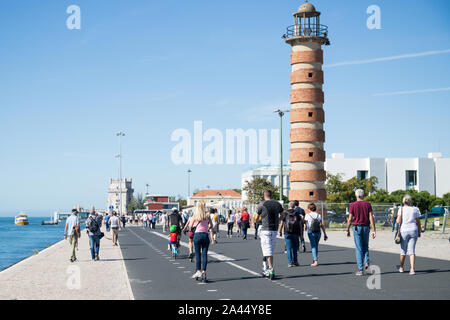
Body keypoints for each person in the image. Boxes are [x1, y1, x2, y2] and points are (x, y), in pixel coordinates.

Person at [346, 189, 376, 276]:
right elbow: (371, 217)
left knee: (359, 248)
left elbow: (350, 218)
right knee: (365, 246)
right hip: (366, 227)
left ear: (356, 195)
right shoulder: (368, 204)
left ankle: (360, 269)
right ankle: (367, 263)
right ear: (363, 195)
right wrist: (374, 229)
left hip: (357, 227)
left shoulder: (352, 205)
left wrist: (347, 229)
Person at [256, 190, 284, 280]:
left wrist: (257, 222)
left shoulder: (262, 204)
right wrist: (278, 220)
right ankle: (266, 267)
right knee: (269, 249)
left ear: (264, 196)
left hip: (265, 229)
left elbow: (255, 217)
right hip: (274, 229)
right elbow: (283, 215)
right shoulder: (277, 204)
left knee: (267, 250)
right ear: (271, 195)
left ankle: (271, 269)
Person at [188, 201, 215, 283]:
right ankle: (204, 271)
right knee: (204, 254)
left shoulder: (195, 215)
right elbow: (211, 225)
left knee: (197, 254)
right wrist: (207, 227)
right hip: (205, 235)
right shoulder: (207, 215)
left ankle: (198, 271)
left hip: (197, 235)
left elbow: (190, 226)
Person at [396, 195, 421, 275]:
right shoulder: (415, 209)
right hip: (413, 230)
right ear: (410, 201)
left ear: (403, 202)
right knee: (412, 250)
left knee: (403, 249)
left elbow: (398, 221)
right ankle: (412, 269)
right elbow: (418, 222)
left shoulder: (401, 209)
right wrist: (419, 232)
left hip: (404, 230)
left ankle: (401, 267)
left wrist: (397, 218)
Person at [278, 202, 303, 267]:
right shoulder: (297, 213)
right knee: (295, 248)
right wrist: (301, 234)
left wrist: (280, 231)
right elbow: (300, 224)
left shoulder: (284, 213)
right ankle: (295, 261)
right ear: (294, 206)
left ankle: (290, 262)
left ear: (288, 206)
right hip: (296, 232)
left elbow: (281, 223)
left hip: (287, 232)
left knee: (288, 248)